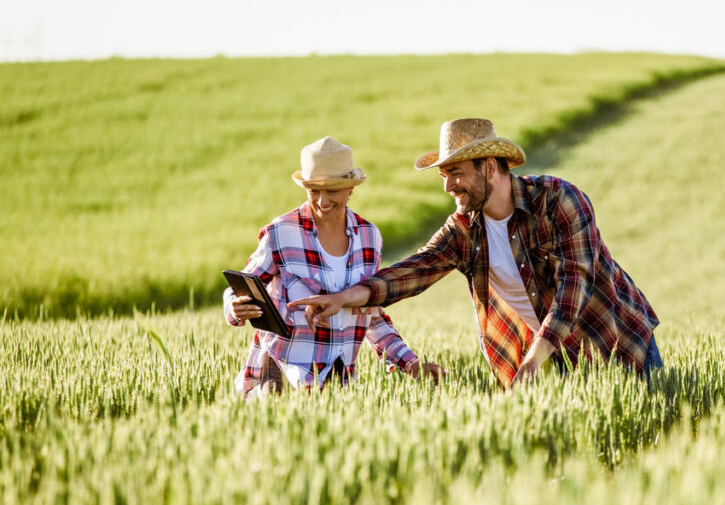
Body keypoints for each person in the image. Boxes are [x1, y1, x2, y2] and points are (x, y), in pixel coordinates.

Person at [289, 118, 661, 389]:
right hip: (550, 360)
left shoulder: (558, 200)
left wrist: (533, 362)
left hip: (615, 343)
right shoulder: (464, 229)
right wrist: (342, 298)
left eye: (456, 173)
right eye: (443, 176)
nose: (448, 185)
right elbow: (411, 272)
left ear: (488, 167)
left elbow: (573, 288)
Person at [224, 136, 443, 399]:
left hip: (338, 385)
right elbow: (241, 286)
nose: (322, 200)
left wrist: (411, 364)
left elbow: (371, 312)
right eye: (314, 190)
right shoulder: (280, 233)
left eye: (332, 190)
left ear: (351, 188)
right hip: (279, 381)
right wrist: (235, 307)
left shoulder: (369, 237)